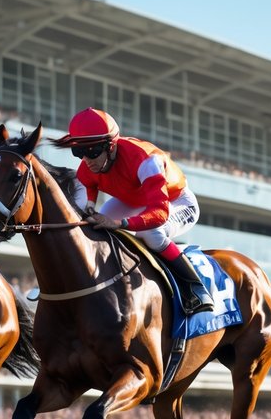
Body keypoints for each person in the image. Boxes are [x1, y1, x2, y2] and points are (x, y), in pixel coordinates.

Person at [52, 107, 213, 314]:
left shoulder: (146, 161)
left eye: (92, 152)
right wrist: (91, 204)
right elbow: (90, 183)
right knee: (95, 228)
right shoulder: (90, 165)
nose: (87, 160)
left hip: (176, 201)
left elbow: (159, 212)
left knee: (151, 233)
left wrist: (120, 224)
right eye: (79, 152)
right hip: (133, 200)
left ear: (110, 146)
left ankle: (195, 287)